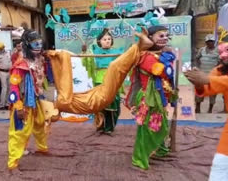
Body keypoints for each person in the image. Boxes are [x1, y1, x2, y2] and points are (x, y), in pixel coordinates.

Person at [125, 25, 177, 170]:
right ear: (150, 39)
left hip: (159, 96)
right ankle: (139, 157)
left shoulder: (161, 54)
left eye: (167, 35)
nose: (165, 38)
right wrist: (167, 59)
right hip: (148, 97)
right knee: (149, 128)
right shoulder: (145, 56)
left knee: (158, 123)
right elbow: (159, 71)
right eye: (161, 36)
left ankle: (159, 149)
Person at [184, 30, 228, 181]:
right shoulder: (220, 69)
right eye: (223, 50)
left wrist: (208, 80)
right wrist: (198, 82)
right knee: (220, 167)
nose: (223, 55)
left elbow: (215, 82)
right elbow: (209, 88)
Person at [8, 29, 48, 169]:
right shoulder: (21, 64)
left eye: (40, 43)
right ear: (27, 44)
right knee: (20, 132)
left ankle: (42, 148)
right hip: (24, 103)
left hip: (36, 100)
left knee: (40, 125)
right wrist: (18, 107)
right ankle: (13, 162)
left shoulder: (39, 60)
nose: (38, 46)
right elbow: (13, 88)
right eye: (34, 44)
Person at [82, 28, 124, 134]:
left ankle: (110, 127)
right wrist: (84, 51)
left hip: (113, 81)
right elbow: (86, 61)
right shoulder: (94, 52)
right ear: (99, 41)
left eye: (109, 39)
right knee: (100, 105)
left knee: (114, 104)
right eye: (104, 39)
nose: (107, 41)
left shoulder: (117, 52)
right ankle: (100, 125)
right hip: (99, 81)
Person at [195, 34, 219, 113]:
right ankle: (198, 107)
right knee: (199, 91)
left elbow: (222, 61)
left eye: (211, 41)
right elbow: (197, 58)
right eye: (208, 41)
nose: (210, 43)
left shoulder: (218, 51)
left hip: (213, 76)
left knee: (213, 93)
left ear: (214, 42)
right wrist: (198, 68)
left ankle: (210, 109)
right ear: (206, 42)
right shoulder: (202, 50)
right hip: (202, 75)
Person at [0, 42, 12, 110]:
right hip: (2, 72)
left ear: (4, 47)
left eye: (1, 48)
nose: (1, 49)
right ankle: (1, 105)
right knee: (4, 88)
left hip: (9, 72)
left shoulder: (8, 53)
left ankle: (7, 104)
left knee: (9, 88)